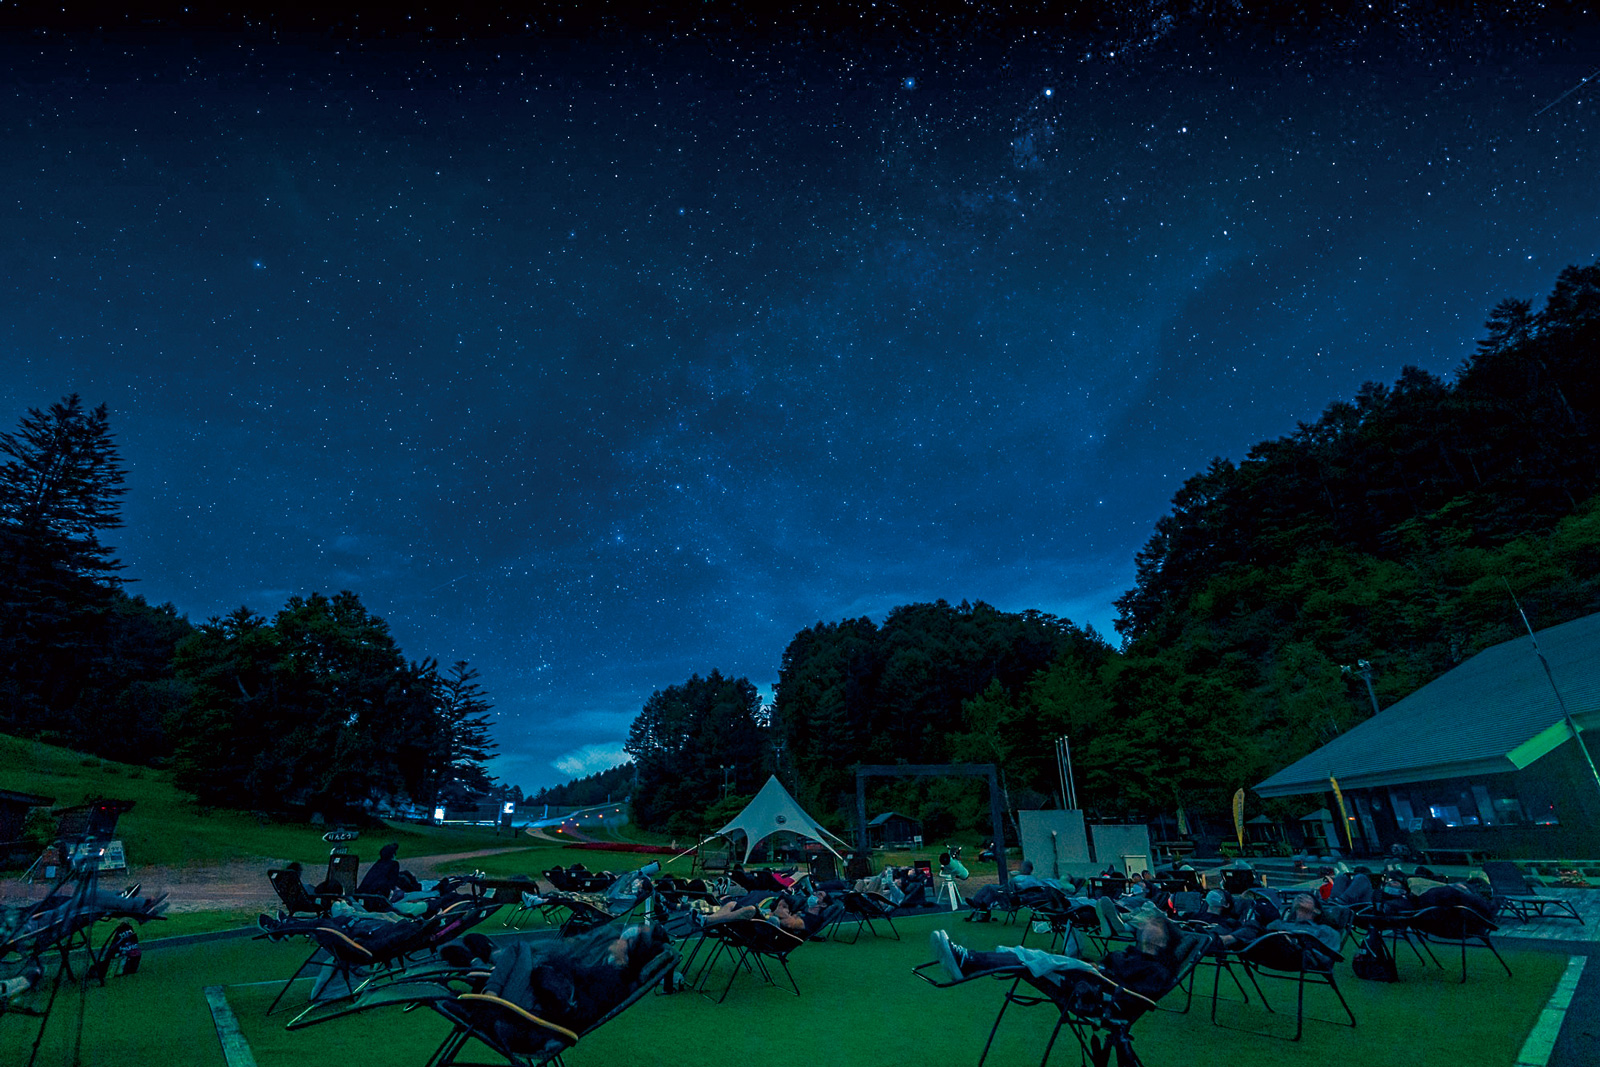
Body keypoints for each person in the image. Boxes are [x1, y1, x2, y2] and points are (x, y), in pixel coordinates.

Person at [930, 910, 1183, 1005]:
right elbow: (1113, 965)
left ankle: (966, 961)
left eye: (1155, 924)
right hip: (1090, 976)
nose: (1147, 923)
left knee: (1029, 962)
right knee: (1029, 955)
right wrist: (1099, 966)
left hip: (1094, 989)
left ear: (1162, 940)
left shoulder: (1157, 970)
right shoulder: (1134, 953)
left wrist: (1101, 976)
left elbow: (1133, 995)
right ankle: (967, 960)